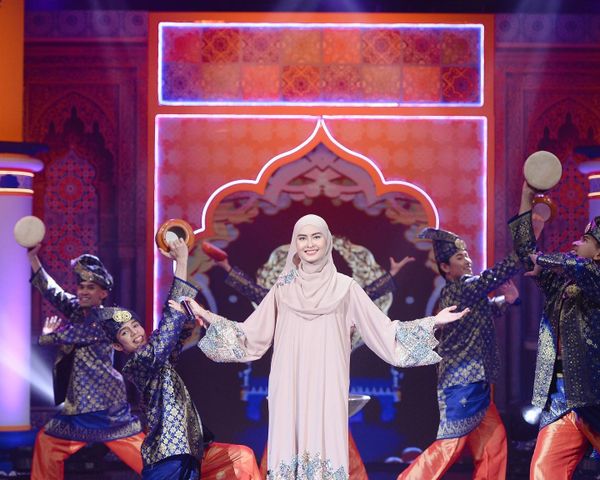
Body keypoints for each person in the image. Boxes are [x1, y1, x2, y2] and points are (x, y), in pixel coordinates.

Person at [188, 214, 468, 479]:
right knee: (288, 450)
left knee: (327, 449)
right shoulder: (282, 288)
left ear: (328, 241)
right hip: (288, 385)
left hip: (328, 385)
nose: (309, 244)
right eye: (302, 238)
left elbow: (383, 330)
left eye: (316, 237)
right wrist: (207, 316)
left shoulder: (346, 288)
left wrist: (434, 321)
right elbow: (251, 335)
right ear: (295, 244)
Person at [207, 245, 415, 480]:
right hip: (295, 389)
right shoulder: (285, 297)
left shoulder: (339, 296)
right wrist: (227, 268)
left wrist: (391, 275)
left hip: (326, 389)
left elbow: (368, 293)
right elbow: (256, 293)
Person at [98, 237, 261, 479]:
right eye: (125, 333)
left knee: (241, 457)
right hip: (167, 455)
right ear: (117, 346)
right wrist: (182, 261)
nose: (134, 333)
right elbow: (168, 327)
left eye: (135, 325)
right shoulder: (139, 363)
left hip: (189, 449)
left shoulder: (158, 355)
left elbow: (176, 332)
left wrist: (191, 316)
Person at [397, 219, 524, 480]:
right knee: (450, 444)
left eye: (466, 255)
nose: (467, 260)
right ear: (445, 267)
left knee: (493, 444)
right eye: (459, 257)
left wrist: (508, 300)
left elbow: (486, 310)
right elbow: (499, 272)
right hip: (462, 381)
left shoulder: (463, 292)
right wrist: (525, 241)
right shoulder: (463, 288)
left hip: (476, 379)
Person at [27, 245, 144, 480]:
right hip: (79, 406)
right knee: (47, 443)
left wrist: (45, 336)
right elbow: (52, 291)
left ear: (103, 293)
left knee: (141, 455)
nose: (83, 292)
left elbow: (69, 335)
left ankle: (176, 474)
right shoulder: (77, 310)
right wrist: (33, 257)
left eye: (90, 287)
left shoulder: (104, 319)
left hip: (105, 405)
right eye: (81, 287)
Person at [511, 182, 600, 479]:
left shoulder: (595, 276)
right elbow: (526, 253)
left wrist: (543, 260)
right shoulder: (561, 284)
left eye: (584, 239)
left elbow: (573, 264)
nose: (575, 242)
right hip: (561, 397)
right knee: (543, 470)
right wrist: (526, 196)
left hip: (594, 396)